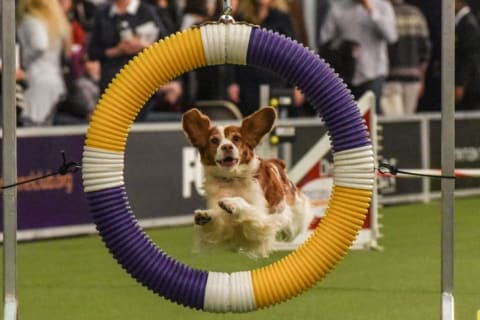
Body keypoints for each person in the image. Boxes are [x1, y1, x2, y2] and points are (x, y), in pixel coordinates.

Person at [319, 0, 398, 113]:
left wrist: (371, 11)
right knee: (347, 116)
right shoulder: (337, 8)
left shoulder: (382, 7)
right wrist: (344, 46)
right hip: (346, 73)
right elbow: (325, 39)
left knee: (371, 116)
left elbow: (391, 36)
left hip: (373, 72)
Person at [228, 0, 298, 116]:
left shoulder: (282, 18)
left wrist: (297, 85)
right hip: (248, 86)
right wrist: (232, 82)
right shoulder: (241, 19)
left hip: (276, 83)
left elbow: (295, 54)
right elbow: (231, 52)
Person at [17, 0, 72, 126]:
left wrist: (23, 59)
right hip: (54, 80)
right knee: (45, 127)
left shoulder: (32, 20)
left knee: (32, 126)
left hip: (39, 80)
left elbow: (39, 45)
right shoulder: (53, 20)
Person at [381, 0, 431, 116]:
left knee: (395, 124)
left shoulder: (383, 13)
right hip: (412, 77)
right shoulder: (416, 14)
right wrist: (421, 79)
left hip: (389, 78)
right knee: (408, 125)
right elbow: (425, 51)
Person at [455, 0, 480, 110]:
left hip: (469, 85)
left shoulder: (468, 23)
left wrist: (461, 83)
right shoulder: (462, 21)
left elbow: (470, 57)